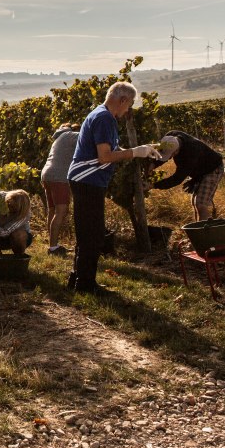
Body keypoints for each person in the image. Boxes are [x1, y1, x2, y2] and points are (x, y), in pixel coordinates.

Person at [66, 82, 160, 294]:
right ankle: (85, 284)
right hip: (87, 180)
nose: (129, 110)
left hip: (84, 179)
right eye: (130, 104)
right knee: (93, 233)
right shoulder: (105, 118)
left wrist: (141, 151)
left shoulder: (100, 115)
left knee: (86, 232)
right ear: (123, 100)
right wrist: (136, 152)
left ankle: (78, 278)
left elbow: (112, 150)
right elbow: (105, 157)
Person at [147, 131, 225, 221]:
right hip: (199, 169)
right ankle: (199, 230)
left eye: (172, 155)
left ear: (177, 151)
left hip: (212, 169)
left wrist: (153, 185)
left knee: (200, 204)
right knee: (195, 203)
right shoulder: (170, 137)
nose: (170, 157)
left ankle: (206, 233)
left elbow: (177, 179)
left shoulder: (190, 152)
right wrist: (153, 165)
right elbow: (164, 153)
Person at [41, 124, 80, 256]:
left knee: (53, 210)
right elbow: (87, 137)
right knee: (61, 211)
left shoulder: (58, 138)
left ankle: (52, 245)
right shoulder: (71, 136)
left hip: (46, 174)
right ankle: (53, 248)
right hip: (59, 176)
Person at [0, 190, 33, 255]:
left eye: (14, 210)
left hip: (15, 238)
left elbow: (5, 232)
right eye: (9, 205)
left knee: (18, 236)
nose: (10, 210)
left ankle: (18, 258)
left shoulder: (24, 215)